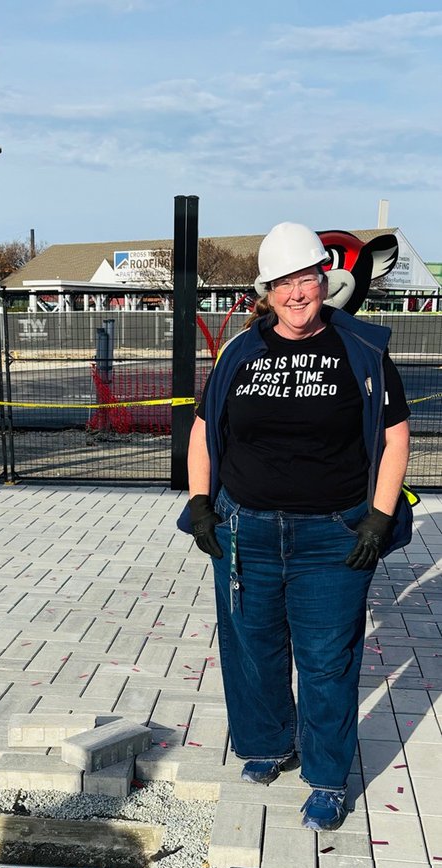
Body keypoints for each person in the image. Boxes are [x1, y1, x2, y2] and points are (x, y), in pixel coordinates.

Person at [180, 221, 412, 831]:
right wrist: (201, 502)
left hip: (331, 535)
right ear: (267, 291)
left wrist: (379, 518)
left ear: (323, 280)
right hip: (245, 530)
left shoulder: (362, 349)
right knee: (251, 647)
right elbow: (205, 431)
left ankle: (328, 777)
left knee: (326, 659)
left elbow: (394, 438)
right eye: (281, 282)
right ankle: (266, 744)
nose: (294, 292)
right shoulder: (241, 351)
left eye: (303, 278)